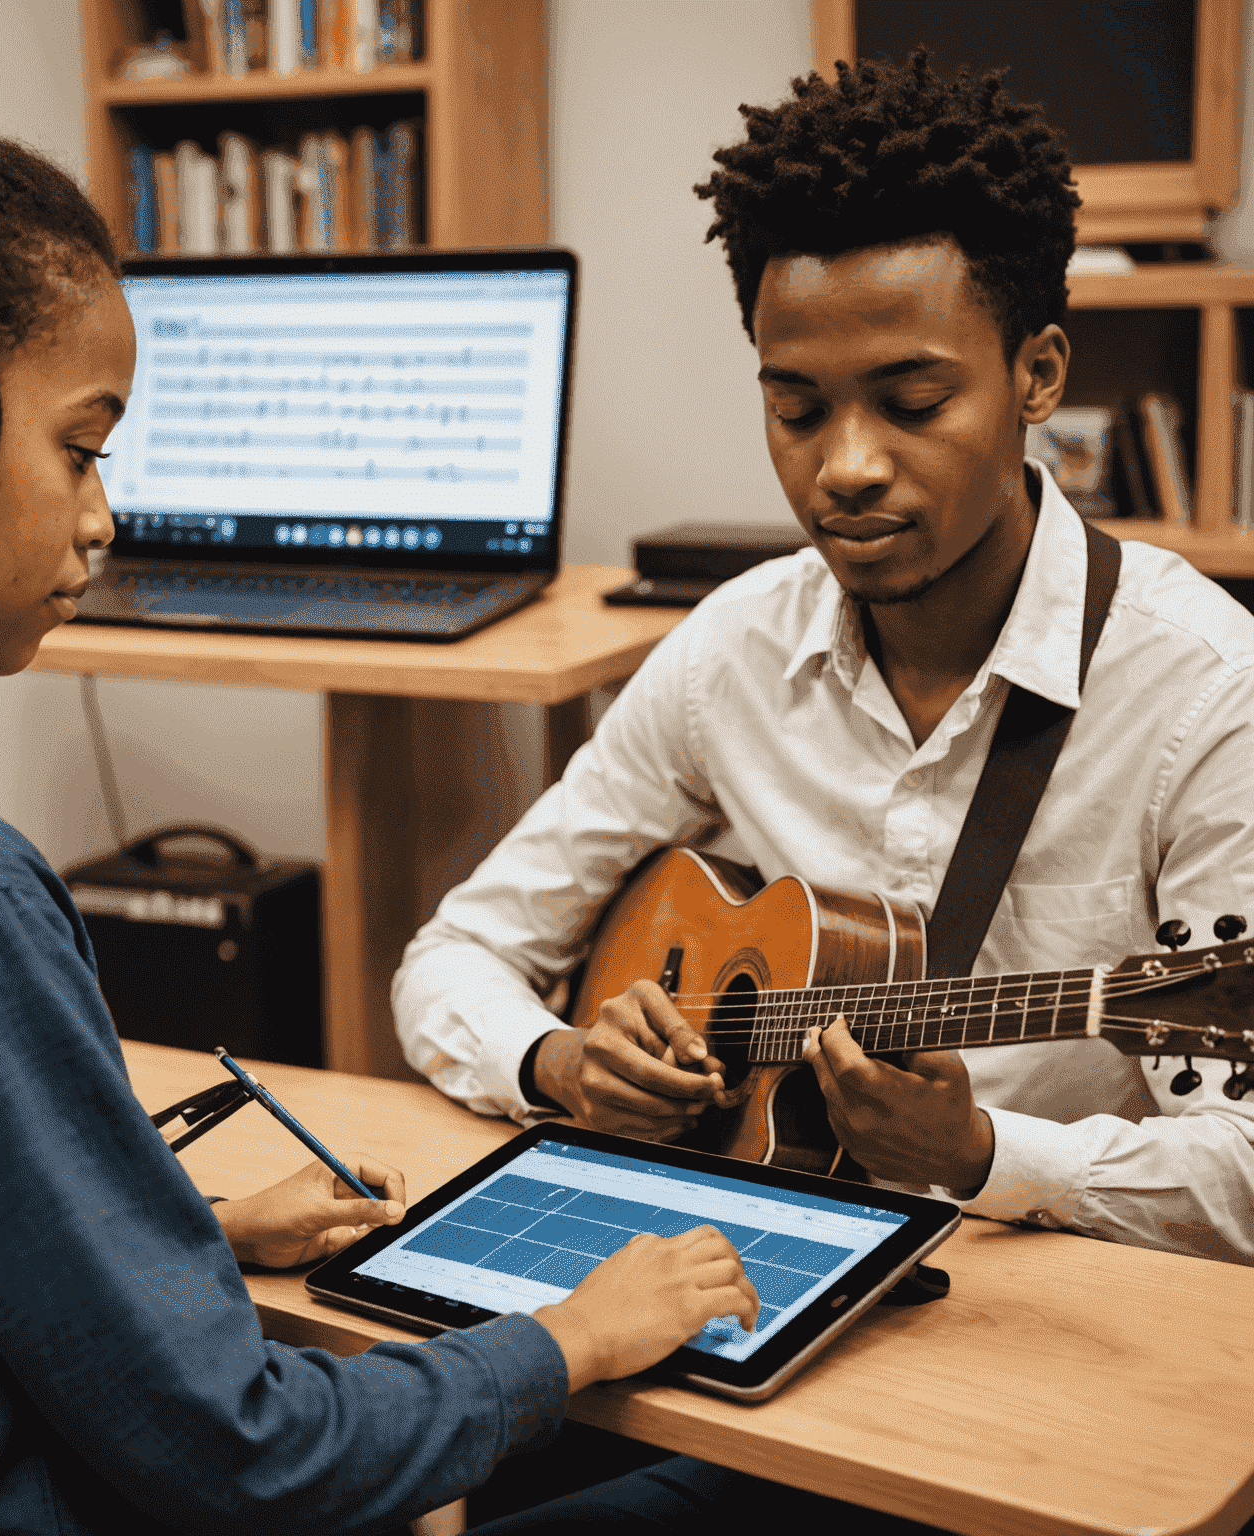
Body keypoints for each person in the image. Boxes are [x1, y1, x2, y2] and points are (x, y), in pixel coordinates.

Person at [0, 101, 763, 1536]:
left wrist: (167, 1244)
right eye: (82, 448)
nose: (103, 517)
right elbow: (252, 1460)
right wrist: (572, 1338)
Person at [394, 49, 1254, 1267]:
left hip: (1048, 1313)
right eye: (796, 408)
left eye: (910, 403)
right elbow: (459, 952)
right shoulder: (729, 653)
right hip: (741, 1259)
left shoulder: (1208, 696)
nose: (843, 465)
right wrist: (564, 1062)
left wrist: (984, 1156)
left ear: (1038, 375)